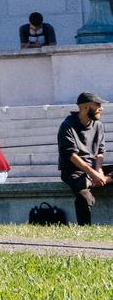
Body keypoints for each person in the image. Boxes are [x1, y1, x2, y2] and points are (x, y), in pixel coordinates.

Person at [57, 92, 110, 225]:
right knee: (84, 197)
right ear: (86, 107)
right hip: (74, 170)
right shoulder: (67, 126)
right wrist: (92, 173)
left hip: (93, 169)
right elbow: (71, 156)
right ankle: (84, 229)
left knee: (92, 179)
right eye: (97, 105)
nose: (101, 108)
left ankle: (99, 180)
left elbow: (100, 152)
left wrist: (99, 172)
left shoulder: (98, 125)